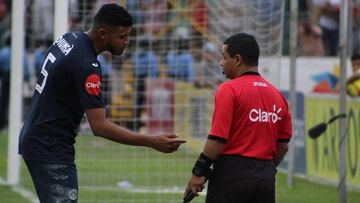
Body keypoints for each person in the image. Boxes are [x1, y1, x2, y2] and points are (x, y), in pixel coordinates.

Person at [18, 4, 185, 203]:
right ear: (103, 33)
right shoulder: (87, 66)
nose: (126, 42)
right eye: (122, 37)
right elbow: (100, 126)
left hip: (39, 136)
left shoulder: (68, 38)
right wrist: (152, 141)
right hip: (50, 146)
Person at [183, 33, 292, 203]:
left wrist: (199, 172)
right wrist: (264, 172)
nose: (220, 63)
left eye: (224, 57)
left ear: (238, 60)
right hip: (265, 178)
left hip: (231, 175)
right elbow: (283, 146)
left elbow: (218, 139)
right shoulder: (278, 96)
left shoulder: (229, 89)